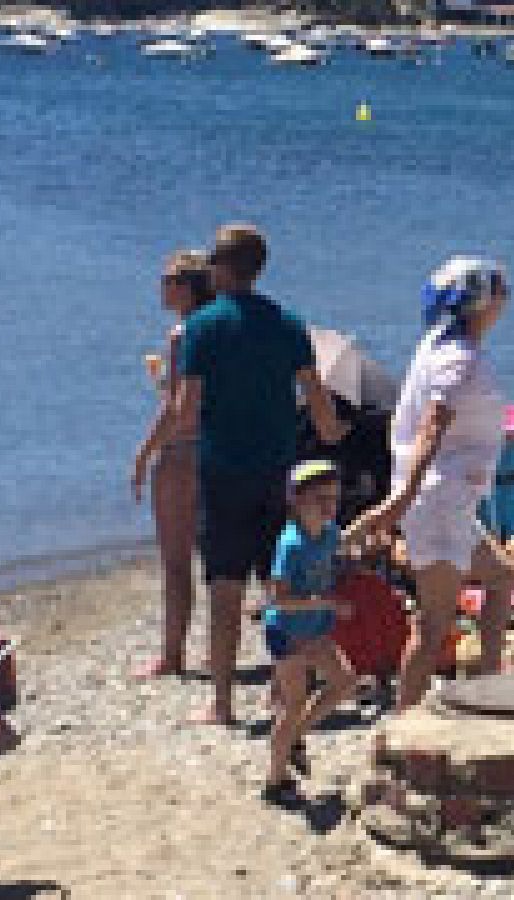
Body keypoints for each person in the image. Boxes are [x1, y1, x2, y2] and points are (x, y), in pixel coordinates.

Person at [146, 224, 347, 726]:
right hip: (278, 473)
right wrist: (330, 430)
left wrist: (168, 403)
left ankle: (221, 703)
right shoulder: (289, 322)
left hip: (223, 470)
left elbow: (188, 410)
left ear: (218, 266)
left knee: (225, 588)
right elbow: (315, 394)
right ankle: (282, 693)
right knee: (278, 584)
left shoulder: (203, 327)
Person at [347, 257, 513, 711]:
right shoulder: (457, 360)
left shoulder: (440, 345)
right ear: (481, 302)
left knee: (501, 577)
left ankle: (486, 690)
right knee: (433, 622)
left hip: (449, 501)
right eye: (499, 289)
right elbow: (431, 427)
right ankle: (405, 726)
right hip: (439, 500)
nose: (505, 297)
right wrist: (401, 498)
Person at [130, 251, 214, 679]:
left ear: (184, 286)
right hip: (218, 450)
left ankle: (172, 654)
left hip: (182, 453)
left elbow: (179, 410)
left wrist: (144, 454)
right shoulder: (219, 327)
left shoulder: (185, 333)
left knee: (176, 560)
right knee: (217, 558)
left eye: (166, 279)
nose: (160, 286)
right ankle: (217, 649)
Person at [261, 460, 356, 808]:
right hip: (286, 632)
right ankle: (274, 781)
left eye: (334, 499)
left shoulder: (330, 534)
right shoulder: (291, 544)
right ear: (298, 501)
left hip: (315, 629)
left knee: (344, 682)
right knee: (293, 702)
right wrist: (327, 603)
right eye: (321, 500)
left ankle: (297, 736)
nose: (330, 507)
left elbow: (337, 559)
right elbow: (279, 600)